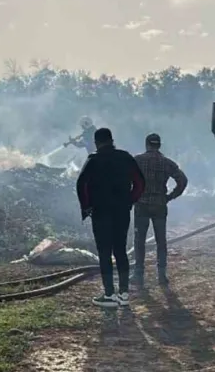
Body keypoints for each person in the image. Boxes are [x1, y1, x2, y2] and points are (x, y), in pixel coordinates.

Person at [76, 127, 145, 308]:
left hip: (100, 213)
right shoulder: (125, 157)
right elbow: (139, 183)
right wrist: (130, 200)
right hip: (122, 212)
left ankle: (109, 294)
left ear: (97, 142)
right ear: (112, 140)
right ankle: (123, 294)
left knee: (105, 253)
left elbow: (81, 184)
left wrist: (87, 207)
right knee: (121, 250)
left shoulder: (93, 160)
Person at [131, 133, 188, 288]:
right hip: (159, 205)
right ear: (159, 145)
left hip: (141, 205)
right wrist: (170, 197)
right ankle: (161, 275)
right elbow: (183, 180)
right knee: (161, 240)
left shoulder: (137, 161)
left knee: (139, 240)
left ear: (147, 144)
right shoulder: (167, 163)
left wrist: (132, 195)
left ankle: (138, 273)